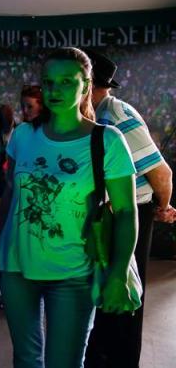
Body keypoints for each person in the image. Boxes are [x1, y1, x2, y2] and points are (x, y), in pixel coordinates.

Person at [0, 47, 138, 368]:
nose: (54, 90)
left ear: (86, 86)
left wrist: (118, 272)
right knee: (26, 360)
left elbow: (127, 212)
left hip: (74, 271)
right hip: (17, 267)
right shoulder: (22, 135)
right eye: (48, 82)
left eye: (65, 82)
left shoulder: (108, 140)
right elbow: (10, 194)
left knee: (65, 362)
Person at [85, 49, 176, 368]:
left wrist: (163, 207)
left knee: (123, 298)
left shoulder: (118, 115)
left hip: (129, 214)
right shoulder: (94, 116)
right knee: (102, 299)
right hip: (103, 215)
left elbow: (161, 173)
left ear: (90, 84)